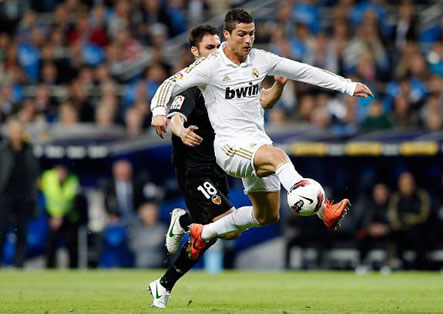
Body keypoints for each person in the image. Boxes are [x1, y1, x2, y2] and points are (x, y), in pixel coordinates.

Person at [150, 9, 372, 261]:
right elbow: (169, 84)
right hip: (230, 148)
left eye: (252, 34)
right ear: (227, 35)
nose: (248, 40)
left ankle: (204, 232)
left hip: (257, 145)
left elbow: (303, 70)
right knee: (279, 157)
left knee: (266, 216)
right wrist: (158, 111)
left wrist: (347, 85)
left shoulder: (260, 59)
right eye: (241, 34)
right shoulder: (210, 66)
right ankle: (324, 210)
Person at [147, 24, 287, 308]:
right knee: (221, 225)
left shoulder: (228, 79)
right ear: (195, 52)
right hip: (193, 168)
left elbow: (263, 103)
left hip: (218, 165)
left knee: (215, 232)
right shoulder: (193, 84)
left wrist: (278, 86)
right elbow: (176, 114)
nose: (216, 52)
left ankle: (165, 278)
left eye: (217, 46)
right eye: (209, 48)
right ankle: (180, 234)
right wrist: (181, 130)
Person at [0, 119, 40, 268]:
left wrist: (33, 193)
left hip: (24, 196)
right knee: (2, 231)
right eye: (14, 130)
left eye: (19, 130)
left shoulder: (28, 150)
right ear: (9, 132)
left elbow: (35, 173)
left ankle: (19, 264)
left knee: (22, 232)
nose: (16, 134)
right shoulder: (3, 151)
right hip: (6, 196)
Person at [41, 163, 85, 268]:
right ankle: (49, 269)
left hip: (69, 216)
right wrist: (54, 216)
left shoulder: (73, 180)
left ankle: (73, 269)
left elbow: (73, 201)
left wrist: (60, 216)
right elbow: (44, 198)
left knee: (72, 244)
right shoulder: (47, 178)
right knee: (51, 244)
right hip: (51, 216)